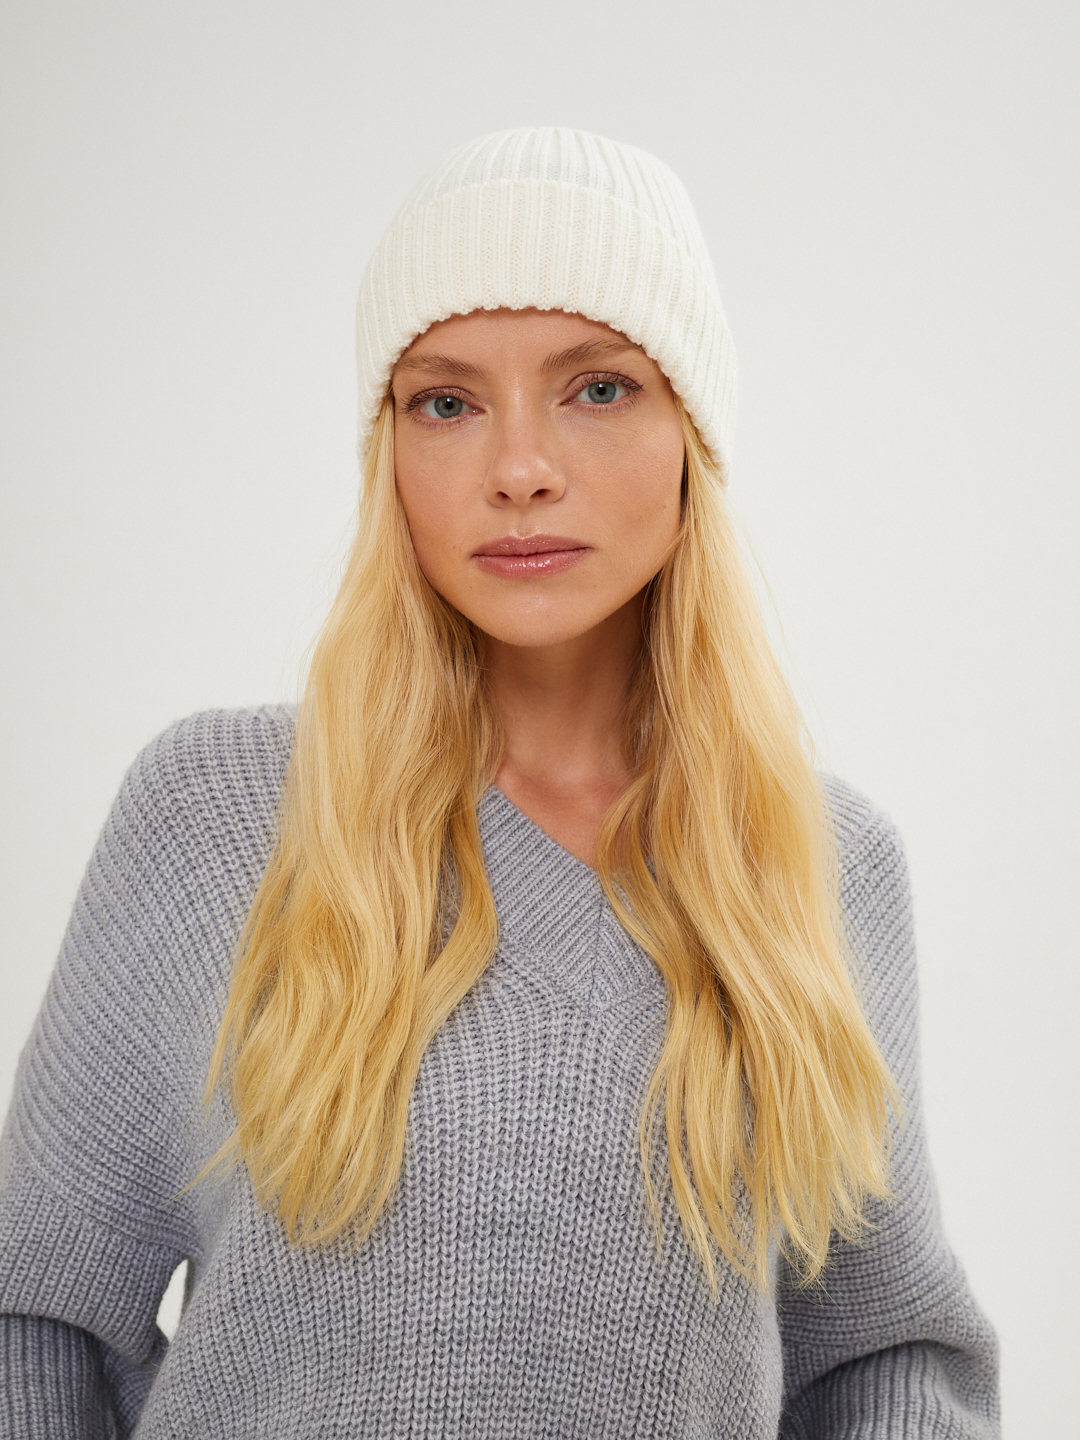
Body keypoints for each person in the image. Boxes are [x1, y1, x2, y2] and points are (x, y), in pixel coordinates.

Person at [0, 127, 999, 1438]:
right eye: (447, 403)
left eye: (599, 388)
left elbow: (882, 1357)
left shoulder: (820, 861)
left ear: (693, 432)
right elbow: (37, 1317)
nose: (519, 468)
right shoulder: (216, 815)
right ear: (388, 450)